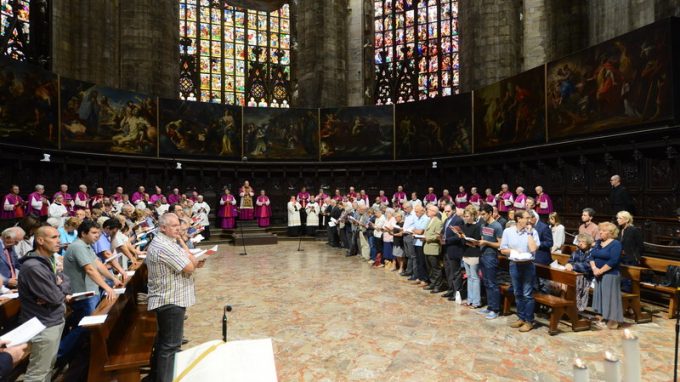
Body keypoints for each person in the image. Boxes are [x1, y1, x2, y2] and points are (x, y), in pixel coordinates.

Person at [147, 213, 205, 382]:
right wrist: (192, 262)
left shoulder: (168, 242)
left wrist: (189, 255)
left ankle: (156, 376)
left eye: (178, 225)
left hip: (171, 297)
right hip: (169, 299)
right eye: (173, 226)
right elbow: (188, 266)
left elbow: (189, 259)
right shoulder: (163, 245)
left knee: (164, 343)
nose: (178, 228)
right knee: (170, 346)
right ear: (162, 227)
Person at [59, 220, 121, 369]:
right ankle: (59, 355)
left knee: (87, 326)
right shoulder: (78, 246)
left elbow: (98, 264)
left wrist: (113, 278)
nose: (97, 236)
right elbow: (90, 270)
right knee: (85, 327)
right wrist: (107, 287)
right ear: (83, 233)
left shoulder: (86, 246)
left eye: (98, 233)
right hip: (83, 294)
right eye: (94, 233)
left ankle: (75, 355)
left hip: (91, 292)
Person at [18, 226, 71, 381]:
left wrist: (57, 285)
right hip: (43, 325)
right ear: (40, 240)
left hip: (53, 319)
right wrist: (58, 287)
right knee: (38, 373)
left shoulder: (47, 260)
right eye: (54, 237)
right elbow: (55, 297)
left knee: (48, 367)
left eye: (58, 237)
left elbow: (66, 280)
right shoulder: (34, 266)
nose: (59, 240)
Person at [500, 210, 540, 332]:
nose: (529, 220)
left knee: (527, 293)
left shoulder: (533, 232)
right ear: (518, 219)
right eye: (526, 218)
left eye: (530, 218)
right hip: (514, 264)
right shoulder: (508, 231)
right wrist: (514, 252)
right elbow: (503, 249)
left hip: (528, 265)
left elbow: (533, 249)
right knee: (517, 293)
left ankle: (529, 321)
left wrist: (528, 233)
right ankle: (521, 318)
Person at [590, 222, 624, 330]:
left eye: (604, 231)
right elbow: (591, 256)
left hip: (610, 274)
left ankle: (612, 321)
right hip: (598, 274)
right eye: (600, 230)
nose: (600, 232)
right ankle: (602, 317)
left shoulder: (616, 244)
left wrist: (600, 271)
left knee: (609, 298)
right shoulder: (598, 242)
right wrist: (595, 268)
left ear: (611, 233)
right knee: (600, 297)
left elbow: (614, 261)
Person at [477, 204, 503, 319]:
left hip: (491, 256)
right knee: (486, 282)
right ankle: (490, 306)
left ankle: (496, 309)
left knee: (492, 283)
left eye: (484, 214)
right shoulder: (483, 224)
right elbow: (483, 239)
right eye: (481, 214)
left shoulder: (497, 226)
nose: (482, 217)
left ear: (490, 213)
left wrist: (486, 243)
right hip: (482, 255)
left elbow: (500, 244)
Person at [565, 233, 594, 312]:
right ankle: (567, 306)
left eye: (583, 242)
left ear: (588, 243)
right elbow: (570, 261)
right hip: (575, 276)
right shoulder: (576, 252)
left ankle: (576, 308)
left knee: (578, 282)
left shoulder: (592, 253)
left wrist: (573, 266)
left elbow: (588, 266)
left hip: (588, 277)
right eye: (579, 241)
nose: (580, 243)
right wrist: (569, 264)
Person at [441, 205, 464, 302]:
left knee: (455, 272)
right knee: (448, 270)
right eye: (445, 211)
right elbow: (444, 232)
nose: (446, 213)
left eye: (448, 211)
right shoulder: (446, 220)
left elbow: (459, 236)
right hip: (446, 248)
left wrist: (446, 240)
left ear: (454, 210)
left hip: (454, 249)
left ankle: (456, 293)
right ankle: (451, 290)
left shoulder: (458, 220)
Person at [460, 206, 482, 307]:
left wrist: (469, 242)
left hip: (474, 254)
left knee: (475, 277)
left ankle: (476, 302)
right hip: (466, 253)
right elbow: (463, 240)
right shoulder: (464, 226)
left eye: (467, 216)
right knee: (469, 277)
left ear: (473, 216)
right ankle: (470, 299)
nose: (465, 218)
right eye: (464, 216)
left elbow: (477, 242)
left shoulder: (478, 226)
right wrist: (461, 236)